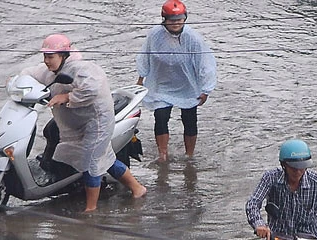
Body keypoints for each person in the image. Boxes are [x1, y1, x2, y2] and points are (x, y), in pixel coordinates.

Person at [21, 33, 147, 212]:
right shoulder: (50, 71)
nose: (47, 61)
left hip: (96, 123)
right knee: (106, 158)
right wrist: (17, 81)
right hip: (75, 125)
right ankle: (137, 188)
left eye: (50, 57)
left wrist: (67, 96)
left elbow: (92, 89)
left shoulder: (82, 69)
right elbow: (31, 73)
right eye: (45, 56)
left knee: (92, 162)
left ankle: (91, 209)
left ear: (63, 56)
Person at [136, 0, 217, 161]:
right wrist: (140, 79)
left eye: (180, 19)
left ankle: (189, 155)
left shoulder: (193, 38)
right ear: (164, 19)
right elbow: (145, 55)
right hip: (161, 85)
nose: (176, 23)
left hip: (187, 85)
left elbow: (205, 64)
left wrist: (206, 89)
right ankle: (162, 154)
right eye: (172, 19)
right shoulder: (155, 35)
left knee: (189, 120)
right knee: (160, 117)